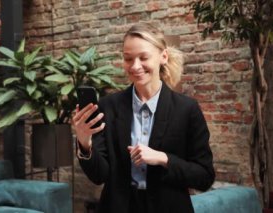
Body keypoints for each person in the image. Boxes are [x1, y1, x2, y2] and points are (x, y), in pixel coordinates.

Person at [72, 23, 215, 213]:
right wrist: (84, 143)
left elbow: (204, 177)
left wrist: (163, 159)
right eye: (128, 58)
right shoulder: (108, 107)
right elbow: (100, 175)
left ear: (163, 56)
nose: (135, 66)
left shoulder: (187, 109)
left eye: (143, 57)